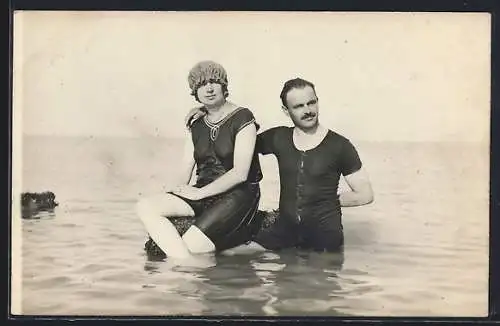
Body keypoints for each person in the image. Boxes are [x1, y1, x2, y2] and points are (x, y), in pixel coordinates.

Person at [185, 77, 374, 253]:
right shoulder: (278, 137)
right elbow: (237, 142)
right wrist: (210, 112)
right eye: (298, 106)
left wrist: (328, 201)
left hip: (324, 237)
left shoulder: (340, 146)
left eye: (311, 102)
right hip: (283, 232)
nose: (307, 110)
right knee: (226, 256)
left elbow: (365, 194)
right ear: (286, 111)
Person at [136, 61, 264, 260]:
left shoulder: (243, 117)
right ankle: (187, 266)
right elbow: (187, 166)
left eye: (214, 81)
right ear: (195, 92)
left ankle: (184, 270)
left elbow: (240, 173)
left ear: (224, 85)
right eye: (202, 84)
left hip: (238, 194)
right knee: (145, 206)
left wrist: (199, 194)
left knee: (193, 247)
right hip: (202, 192)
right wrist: (178, 191)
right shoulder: (196, 123)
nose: (209, 88)